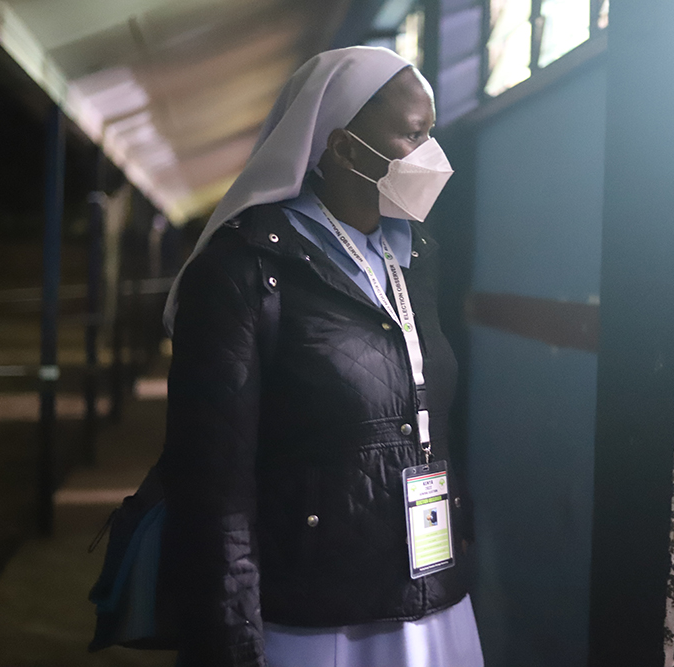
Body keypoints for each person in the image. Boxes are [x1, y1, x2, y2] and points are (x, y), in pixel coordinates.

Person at [157, 47, 483, 667]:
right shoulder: (243, 270)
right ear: (342, 147)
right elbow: (212, 483)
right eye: (413, 135)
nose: (432, 157)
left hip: (429, 593)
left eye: (431, 133)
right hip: (315, 617)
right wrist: (229, 634)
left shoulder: (415, 257)